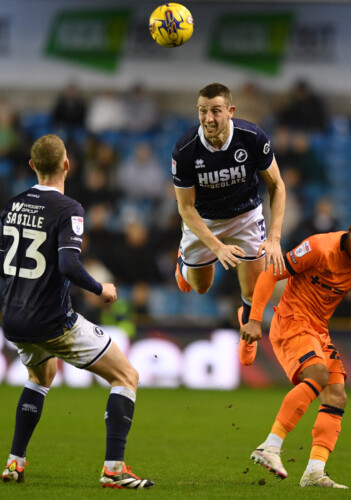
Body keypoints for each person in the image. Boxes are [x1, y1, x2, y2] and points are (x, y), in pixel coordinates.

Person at [0, 134, 153, 489]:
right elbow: (68, 264)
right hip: (52, 321)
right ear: (67, 165)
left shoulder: (11, 206)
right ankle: (114, 469)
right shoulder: (69, 208)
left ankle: (14, 462)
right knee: (126, 376)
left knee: (41, 375)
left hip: (14, 319)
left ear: (32, 166)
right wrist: (101, 288)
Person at [240, 206, 351, 489]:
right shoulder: (319, 247)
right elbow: (270, 274)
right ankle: (270, 446)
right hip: (292, 321)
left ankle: (314, 471)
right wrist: (254, 320)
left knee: (337, 395)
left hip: (319, 330)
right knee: (318, 375)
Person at [172, 82, 286, 365]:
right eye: (203, 111)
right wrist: (218, 247)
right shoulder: (185, 149)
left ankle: (247, 330)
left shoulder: (252, 137)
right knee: (201, 287)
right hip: (204, 220)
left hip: (246, 216)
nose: (208, 118)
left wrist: (274, 238)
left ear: (230, 111)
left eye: (216, 111)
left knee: (251, 289)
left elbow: (277, 186)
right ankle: (183, 264)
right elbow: (185, 208)